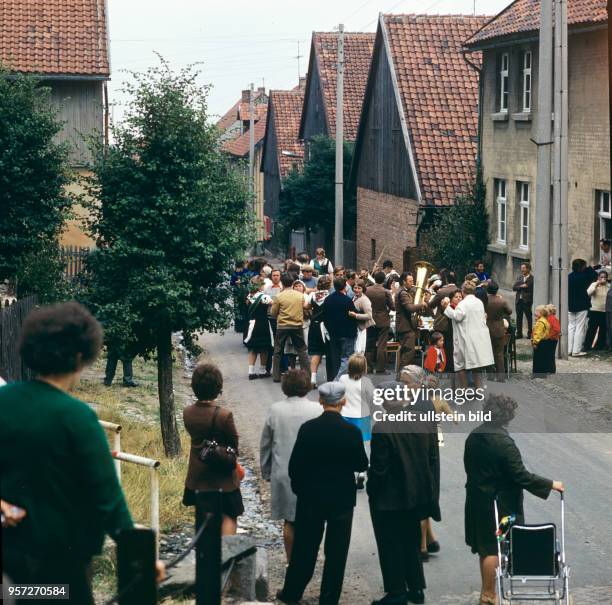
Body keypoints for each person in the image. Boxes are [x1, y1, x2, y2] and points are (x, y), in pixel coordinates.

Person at [0, 302, 164, 603]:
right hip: (61, 565)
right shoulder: (77, 417)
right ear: (80, 356)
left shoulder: (3, 399)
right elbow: (107, 498)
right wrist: (139, 555)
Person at [464, 394, 564, 605]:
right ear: (507, 417)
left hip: (478, 501)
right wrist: (550, 484)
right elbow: (520, 475)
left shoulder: (473, 436)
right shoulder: (504, 443)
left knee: (486, 548)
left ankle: (487, 592)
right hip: (501, 507)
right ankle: (489, 595)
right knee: (496, 547)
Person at [277, 382, 368, 605]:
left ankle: (292, 592)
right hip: (341, 500)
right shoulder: (352, 432)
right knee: (337, 553)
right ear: (343, 402)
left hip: (311, 497)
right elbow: (361, 463)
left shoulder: (308, 429)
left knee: (304, 549)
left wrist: (301, 490)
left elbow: (294, 467)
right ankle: (329, 599)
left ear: (321, 401)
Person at [368, 369, 439, 605]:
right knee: (411, 542)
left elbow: (379, 468)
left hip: (390, 497)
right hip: (416, 493)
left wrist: (372, 490)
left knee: (390, 544)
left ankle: (396, 590)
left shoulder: (382, 427)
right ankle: (417, 588)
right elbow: (430, 457)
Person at [260, 370, 321, 561]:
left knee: (289, 521)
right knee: (312, 520)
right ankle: (308, 558)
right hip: (312, 473)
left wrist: (266, 470)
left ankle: (291, 561)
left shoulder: (275, 410)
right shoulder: (318, 410)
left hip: (284, 471)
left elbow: (266, 444)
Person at [183, 363, 243, 535]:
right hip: (222, 477)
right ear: (218, 388)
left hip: (198, 475)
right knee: (229, 516)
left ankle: (206, 556)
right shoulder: (224, 415)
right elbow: (234, 445)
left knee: (203, 518)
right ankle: (225, 556)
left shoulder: (188, 412)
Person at [442, 281, 494, 387]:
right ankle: (479, 389)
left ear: (462, 291)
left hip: (465, 338)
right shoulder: (479, 302)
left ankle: (465, 390)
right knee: (476, 366)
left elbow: (457, 316)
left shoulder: (463, 304)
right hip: (478, 338)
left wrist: (446, 307)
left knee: (460, 365)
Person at [338, 354, 375, 488]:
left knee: (347, 445)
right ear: (363, 367)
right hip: (362, 417)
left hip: (345, 416)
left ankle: (350, 471)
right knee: (365, 445)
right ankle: (362, 472)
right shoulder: (366, 382)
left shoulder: (342, 379)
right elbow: (373, 398)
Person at [270, 273, 310, 382]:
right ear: (293, 283)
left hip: (282, 326)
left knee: (278, 350)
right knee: (302, 350)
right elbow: (305, 307)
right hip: (297, 325)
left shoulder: (278, 296)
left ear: (282, 282)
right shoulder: (300, 296)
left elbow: (273, 313)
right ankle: (306, 374)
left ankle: (276, 376)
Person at [323, 277, 358, 380]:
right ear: (345, 286)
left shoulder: (328, 299)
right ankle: (339, 380)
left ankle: (335, 377)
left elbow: (325, 317)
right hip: (347, 334)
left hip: (333, 334)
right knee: (346, 357)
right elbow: (353, 316)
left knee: (335, 358)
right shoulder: (347, 301)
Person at [395, 272, 429, 367]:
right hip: (405, 326)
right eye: (410, 281)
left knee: (407, 352)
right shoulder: (403, 293)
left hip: (406, 326)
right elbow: (410, 308)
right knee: (408, 352)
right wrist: (422, 304)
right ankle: (402, 375)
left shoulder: (405, 291)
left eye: (412, 281)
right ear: (403, 282)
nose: (412, 283)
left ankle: (403, 374)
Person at [366, 271, 395, 374]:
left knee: (369, 344)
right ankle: (380, 368)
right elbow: (392, 307)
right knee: (382, 345)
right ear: (384, 280)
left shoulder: (367, 290)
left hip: (370, 319)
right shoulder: (386, 292)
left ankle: (368, 367)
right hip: (383, 320)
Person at [243, 278, 273, 379]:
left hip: (251, 324)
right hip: (262, 324)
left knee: (253, 348)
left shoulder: (248, 297)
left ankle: (251, 371)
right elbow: (272, 303)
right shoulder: (263, 297)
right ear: (260, 286)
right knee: (264, 348)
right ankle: (262, 370)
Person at [568, 258, 598, 356]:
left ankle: (569, 349)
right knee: (580, 327)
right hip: (582, 304)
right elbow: (594, 276)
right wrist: (589, 268)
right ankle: (576, 350)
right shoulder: (584, 276)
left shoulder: (569, 276)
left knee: (571, 327)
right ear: (581, 267)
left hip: (570, 305)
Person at [307, 277, 332, 387]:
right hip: (326, 326)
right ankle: (330, 379)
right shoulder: (330, 296)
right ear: (329, 285)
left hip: (314, 325)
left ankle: (312, 379)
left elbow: (306, 306)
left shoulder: (313, 295)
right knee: (329, 352)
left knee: (316, 353)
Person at [485, 281, 512, 376]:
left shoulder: (484, 300)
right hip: (499, 328)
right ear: (497, 290)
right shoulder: (501, 301)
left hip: (487, 328)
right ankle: (501, 376)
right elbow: (509, 311)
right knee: (499, 354)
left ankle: (490, 375)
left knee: (488, 353)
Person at [584, 270, 609, 352]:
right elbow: (588, 293)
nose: (603, 279)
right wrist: (596, 284)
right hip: (594, 310)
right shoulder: (594, 284)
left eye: (605, 277)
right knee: (591, 329)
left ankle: (599, 347)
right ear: (598, 277)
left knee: (603, 330)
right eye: (601, 277)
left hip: (605, 311)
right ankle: (587, 346)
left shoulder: (608, 286)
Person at [350, 279, 374, 354]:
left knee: (359, 350)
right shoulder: (354, 297)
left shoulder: (364, 300)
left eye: (359, 288)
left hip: (361, 329)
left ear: (363, 289)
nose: (356, 290)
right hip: (354, 328)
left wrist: (356, 315)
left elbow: (369, 315)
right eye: (355, 288)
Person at [513, 262, 534, 339]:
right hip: (519, 300)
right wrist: (522, 286)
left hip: (527, 301)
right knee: (519, 317)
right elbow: (514, 287)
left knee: (529, 317)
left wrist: (521, 286)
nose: (522, 270)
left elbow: (530, 288)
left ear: (528, 269)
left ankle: (530, 333)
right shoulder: (519, 278)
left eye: (524, 268)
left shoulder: (532, 279)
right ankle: (519, 333)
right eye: (521, 268)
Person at [531, 305, 553, 375]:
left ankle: (537, 374)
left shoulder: (540, 322)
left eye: (536, 311)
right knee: (543, 358)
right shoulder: (545, 320)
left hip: (539, 343)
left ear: (541, 313)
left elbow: (537, 334)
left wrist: (535, 343)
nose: (535, 313)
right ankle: (543, 372)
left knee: (537, 359)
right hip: (545, 342)